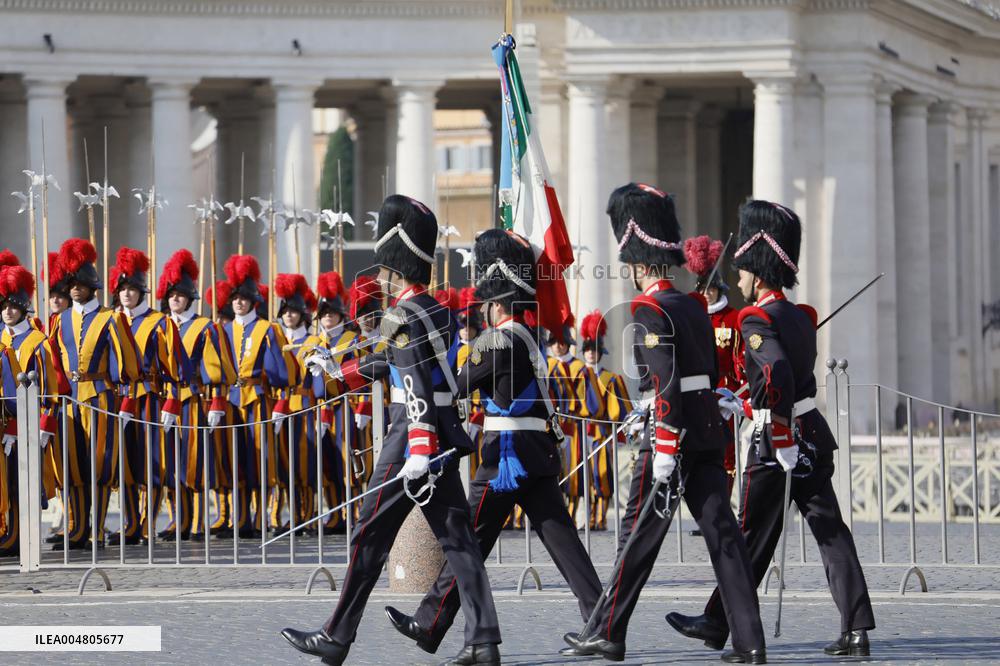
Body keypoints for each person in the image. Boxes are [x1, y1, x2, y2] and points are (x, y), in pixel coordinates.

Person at [280, 195, 501, 666]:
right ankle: (483, 638)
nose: (377, 278)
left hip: (411, 437)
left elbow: (414, 379)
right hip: (440, 431)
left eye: (382, 271)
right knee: (459, 542)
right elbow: (393, 361)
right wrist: (341, 371)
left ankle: (337, 635)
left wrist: (418, 448)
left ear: (395, 270)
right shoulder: (435, 309)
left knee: (368, 534)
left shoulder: (401, 315)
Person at [563, 183, 766, 663]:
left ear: (637, 264)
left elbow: (667, 381)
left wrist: (666, 444)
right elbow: (709, 373)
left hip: (671, 439)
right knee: (723, 537)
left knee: (638, 532)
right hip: (707, 432)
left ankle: (608, 632)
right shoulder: (694, 305)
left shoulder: (648, 308)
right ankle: (750, 642)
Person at [666, 200, 875, 659]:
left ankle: (723, 624)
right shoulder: (801, 315)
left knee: (745, 538)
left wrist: (760, 416)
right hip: (813, 433)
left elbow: (776, 374)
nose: (738, 278)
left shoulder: (754, 318)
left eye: (743, 270)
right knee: (830, 532)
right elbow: (790, 375)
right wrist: (748, 395)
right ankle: (856, 628)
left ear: (758, 274)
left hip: (779, 440)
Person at [383, 228, 603, 658]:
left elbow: (457, 384)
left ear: (495, 302)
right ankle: (601, 621)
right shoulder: (528, 337)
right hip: (536, 452)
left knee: (467, 540)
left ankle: (432, 624)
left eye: (485, 304)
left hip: (505, 458)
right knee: (562, 541)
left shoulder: (496, 339)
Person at [48, 239, 140, 550]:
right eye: (71, 283)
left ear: (92, 286)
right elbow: (54, 362)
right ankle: (76, 527)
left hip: (100, 395)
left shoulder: (109, 317)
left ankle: (96, 529)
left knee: (99, 466)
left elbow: (128, 361)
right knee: (72, 466)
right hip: (70, 398)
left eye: (81, 283)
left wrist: (120, 387)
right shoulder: (58, 321)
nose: (75, 289)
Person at [110, 247, 190, 546]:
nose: (126, 295)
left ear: (142, 292)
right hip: (118, 400)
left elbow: (178, 368)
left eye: (132, 289)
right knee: (125, 464)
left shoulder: (160, 322)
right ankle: (130, 522)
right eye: (122, 289)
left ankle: (147, 522)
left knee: (153, 463)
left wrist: (172, 401)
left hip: (150, 399)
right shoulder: (111, 320)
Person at [158, 249, 237, 541]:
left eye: (179, 294)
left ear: (190, 296)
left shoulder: (206, 327)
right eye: (170, 294)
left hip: (193, 401)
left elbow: (216, 365)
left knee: (196, 462)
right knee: (169, 461)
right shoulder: (161, 325)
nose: (174, 298)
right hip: (164, 399)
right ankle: (177, 519)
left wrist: (217, 400)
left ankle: (197, 522)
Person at [220, 255, 297, 537]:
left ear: (254, 300)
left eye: (244, 297)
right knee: (235, 458)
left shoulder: (268, 329)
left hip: (259, 399)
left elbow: (284, 372)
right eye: (235, 297)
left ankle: (261, 515)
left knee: (261, 458)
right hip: (231, 400)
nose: (239, 302)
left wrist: (280, 404)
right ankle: (240, 518)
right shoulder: (223, 330)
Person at [0, 265, 66, 557]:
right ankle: (6, 532)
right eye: (4, 306)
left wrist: (42, 424)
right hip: (2, 424)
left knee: (21, 483)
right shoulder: (1, 339)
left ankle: (18, 538)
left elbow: (49, 389)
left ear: (24, 307)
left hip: (23, 424)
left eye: (14, 306)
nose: (8, 312)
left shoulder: (38, 342)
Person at [685, 236, 742, 497]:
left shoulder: (733, 318)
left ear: (719, 290)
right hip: (697, 394)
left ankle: (722, 502)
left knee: (725, 454)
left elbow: (740, 360)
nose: (707, 294)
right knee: (697, 450)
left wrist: (739, 395)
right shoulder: (691, 317)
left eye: (712, 289)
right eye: (703, 289)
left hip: (724, 396)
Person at [273, 273, 322, 532]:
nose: (289, 316)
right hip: (281, 407)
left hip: (305, 406)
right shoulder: (277, 340)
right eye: (286, 311)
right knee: (284, 464)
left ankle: (308, 514)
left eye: (294, 311)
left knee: (305, 464)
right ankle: (290, 516)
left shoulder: (313, 342)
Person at [578, 310, 632, 530]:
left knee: (602, 477)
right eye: (588, 350)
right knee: (581, 478)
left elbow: (621, 408)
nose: (591, 354)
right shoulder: (576, 374)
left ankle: (599, 519)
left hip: (601, 433)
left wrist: (618, 431)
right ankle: (584, 517)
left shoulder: (611, 378)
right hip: (580, 432)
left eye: (595, 350)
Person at [315, 271, 359, 532]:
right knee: (326, 462)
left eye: (332, 313)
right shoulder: (315, 342)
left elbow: (359, 376)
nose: (327, 318)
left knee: (349, 459)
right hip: (323, 408)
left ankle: (353, 512)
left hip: (347, 405)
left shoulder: (352, 341)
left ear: (341, 315)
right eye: (324, 314)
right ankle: (333, 513)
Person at [547, 326, 586, 522]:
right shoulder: (545, 364)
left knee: (572, 469)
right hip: (551, 421)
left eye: (561, 342)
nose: (557, 347)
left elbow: (586, 399)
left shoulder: (580, 367)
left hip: (572, 421)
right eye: (553, 343)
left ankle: (571, 513)